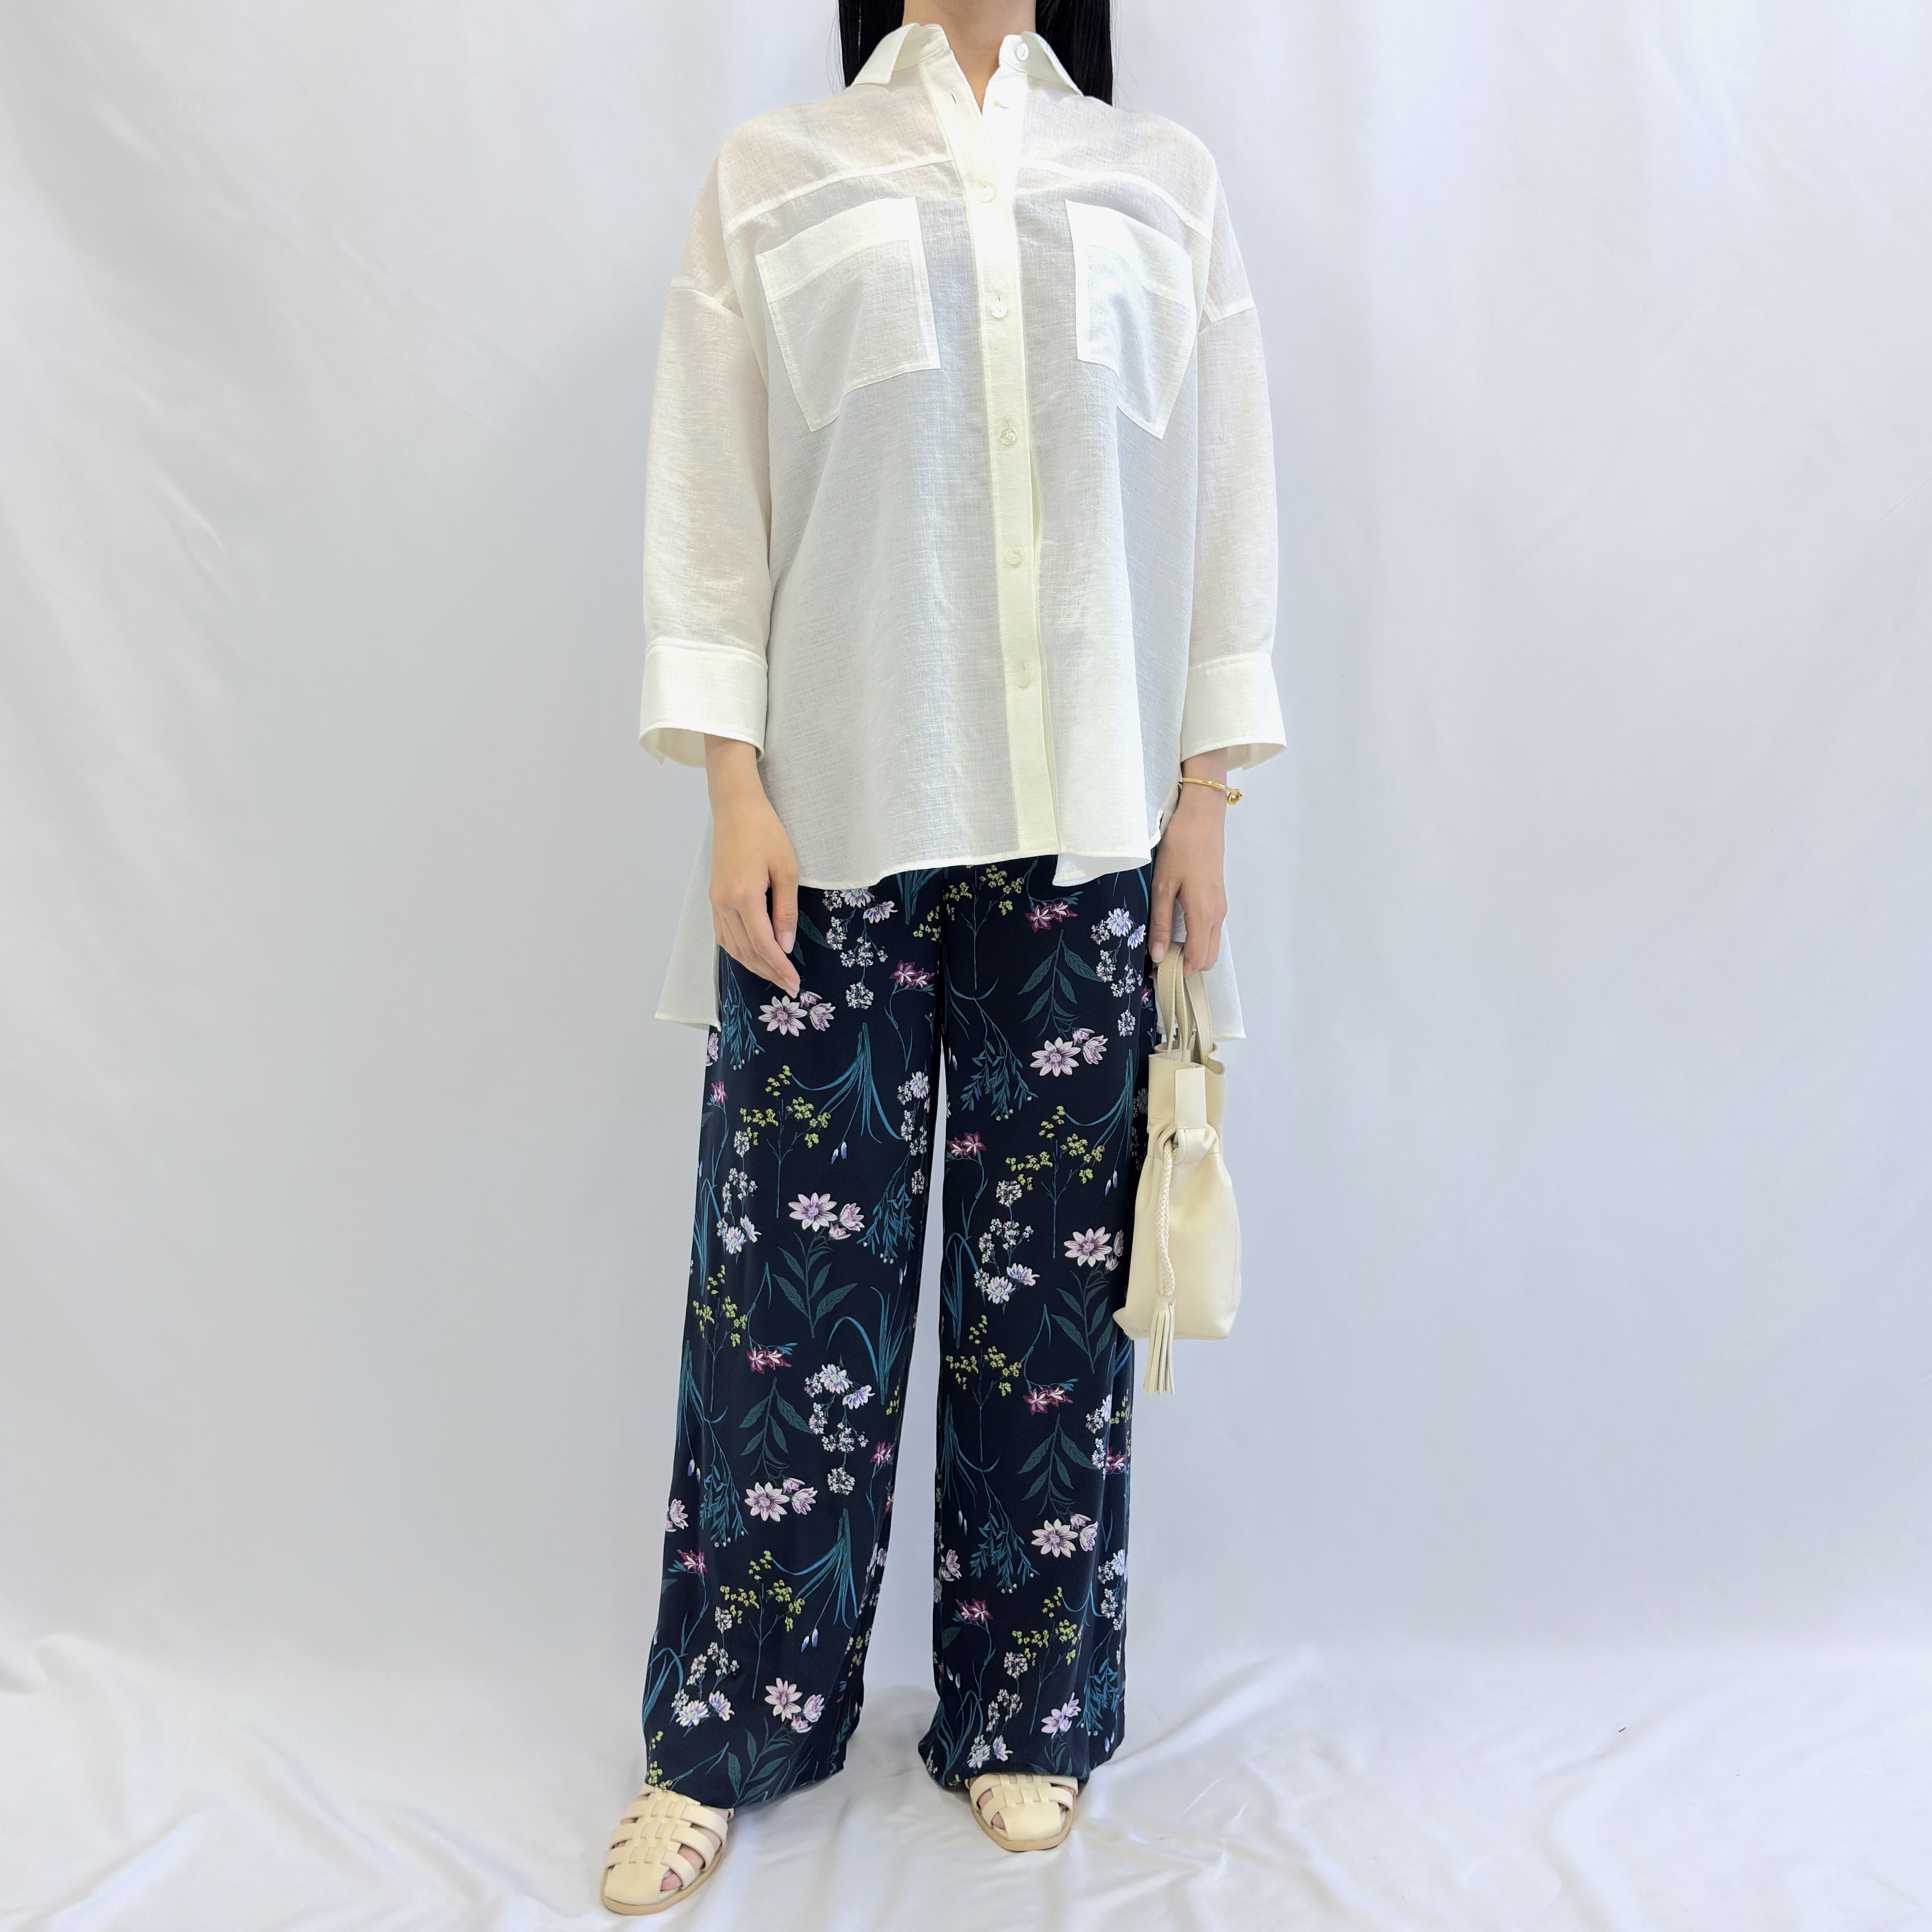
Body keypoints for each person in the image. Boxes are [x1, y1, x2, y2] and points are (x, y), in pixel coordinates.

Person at [599, 0, 1283, 1910]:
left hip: (1089, 825)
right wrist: (729, 783)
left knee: (1049, 1310)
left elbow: (1226, 496)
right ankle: (718, 1735)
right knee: (780, 1305)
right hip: (828, 827)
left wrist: (1204, 797)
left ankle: (1024, 1711)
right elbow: (711, 502)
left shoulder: (1157, 184)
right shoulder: (776, 178)